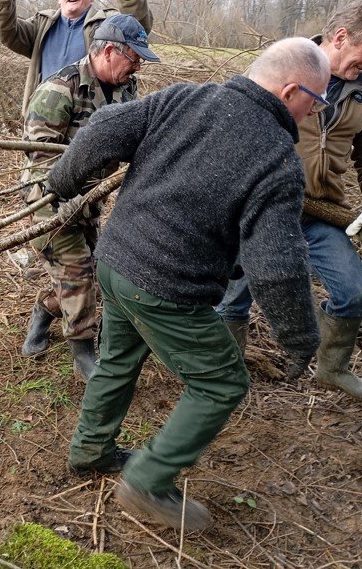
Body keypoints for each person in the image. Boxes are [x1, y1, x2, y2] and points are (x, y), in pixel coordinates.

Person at [49, 37, 329, 530]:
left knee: (117, 358)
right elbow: (277, 267)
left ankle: (90, 450)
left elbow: (104, 127)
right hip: (165, 287)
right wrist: (302, 338)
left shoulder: (186, 97)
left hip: (115, 265)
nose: (315, 112)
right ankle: (146, 481)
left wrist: (62, 180)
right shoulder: (278, 158)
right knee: (222, 382)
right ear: (290, 92)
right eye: (317, 99)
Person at [216, 0, 362, 402]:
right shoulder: (285, 65)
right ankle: (224, 378)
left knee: (353, 291)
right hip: (263, 209)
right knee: (234, 297)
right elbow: (236, 127)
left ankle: (332, 369)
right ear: (342, 37)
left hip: (321, 213)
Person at [20, 14, 159, 381]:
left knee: (92, 275)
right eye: (134, 57)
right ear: (110, 51)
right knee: (78, 273)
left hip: (91, 200)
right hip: (49, 203)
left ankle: (45, 309)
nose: (138, 66)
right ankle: (84, 352)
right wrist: (62, 206)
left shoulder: (127, 90)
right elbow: (41, 160)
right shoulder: (58, 90)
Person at [0, 0, 154, 114]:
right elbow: (7, 32)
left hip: (89, 121)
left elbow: (137, 29)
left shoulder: (106, 24)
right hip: (42, 118)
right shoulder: (41, 25)